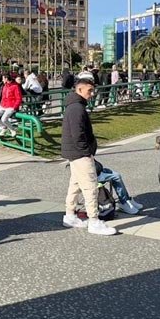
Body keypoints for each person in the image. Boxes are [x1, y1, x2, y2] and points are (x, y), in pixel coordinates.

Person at [60, 71, 116, 236]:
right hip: (80, 153)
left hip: (74, 152)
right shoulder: (77, 108)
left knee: (75, 184)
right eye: (89, 91)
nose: (92, 94)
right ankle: (94, 221)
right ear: (79, 89)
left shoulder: (74, 105)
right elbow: (78, 134)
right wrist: (87, 153)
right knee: (90, 187)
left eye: (93, 91)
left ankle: (70, 215)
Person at [0, 73, 23, 137]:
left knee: (4, 119)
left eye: (3, 78)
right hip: (3, 105)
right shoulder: (5, 86)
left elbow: (19, 98)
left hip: (11, 106)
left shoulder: (15, 86)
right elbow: (3, 96)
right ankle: (3, 127)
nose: (2, 80)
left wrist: (14, 107)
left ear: (6, 79)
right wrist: (0, 104)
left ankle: (12, 130)